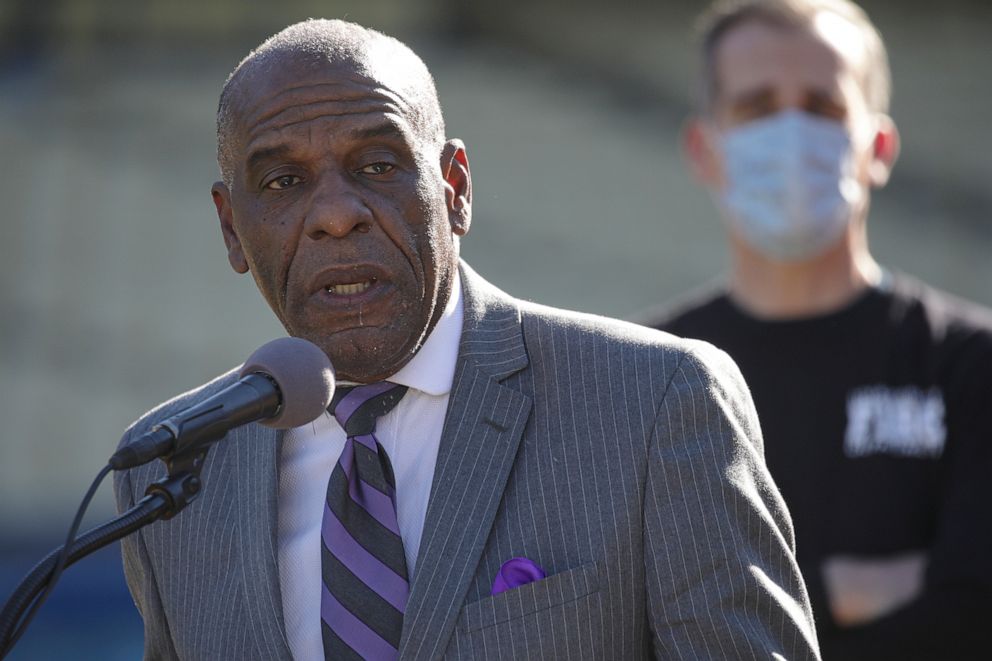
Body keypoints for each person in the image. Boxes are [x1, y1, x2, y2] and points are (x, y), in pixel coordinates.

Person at [113, 18, 819, 660]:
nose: (334, 214)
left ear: (454, 188)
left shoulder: (655, 403)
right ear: (232, 227)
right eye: (282, 180)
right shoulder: (170, 468)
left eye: (378, 166)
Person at [640, 0, 992, 658]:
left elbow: (976, 619)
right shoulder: (640, 376)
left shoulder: (971, 363)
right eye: (758, 107)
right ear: (703, 149)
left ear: (879, 146)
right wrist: (850, 587)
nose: (791, 131)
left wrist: (743, 602)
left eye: (823, 107)